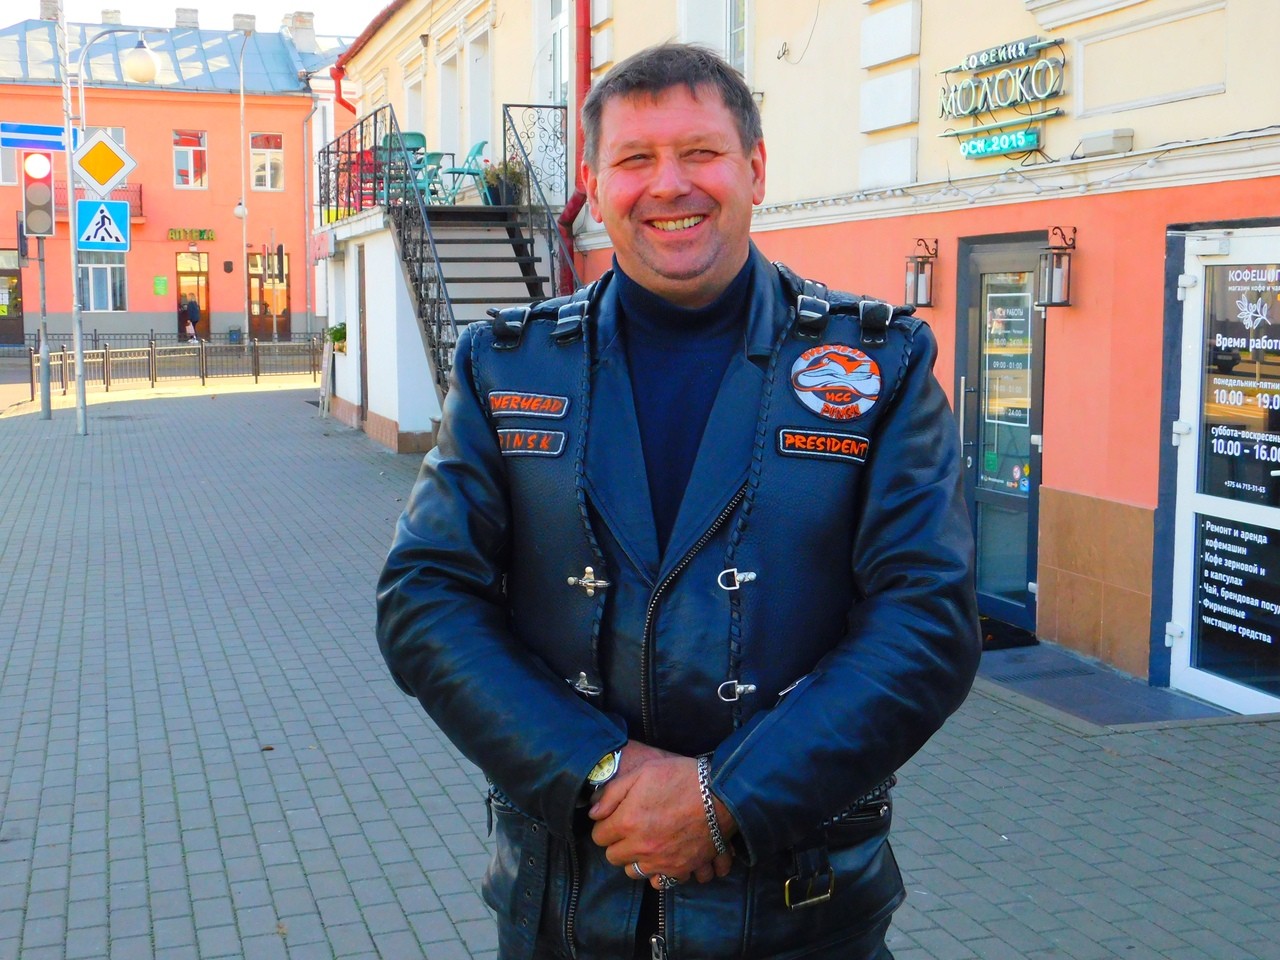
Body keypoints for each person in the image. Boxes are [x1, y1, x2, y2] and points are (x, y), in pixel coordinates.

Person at [377, 42, 980, 960]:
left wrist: (725, 798)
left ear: (755, 169)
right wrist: (598, 770)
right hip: (565, 911)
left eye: (701, 152)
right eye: (635, 159)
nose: (670, 184)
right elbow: (424, 598)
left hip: (802, 914)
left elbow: (927, 622)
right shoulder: (507, 366)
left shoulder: (880, 367)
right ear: (594, 184)